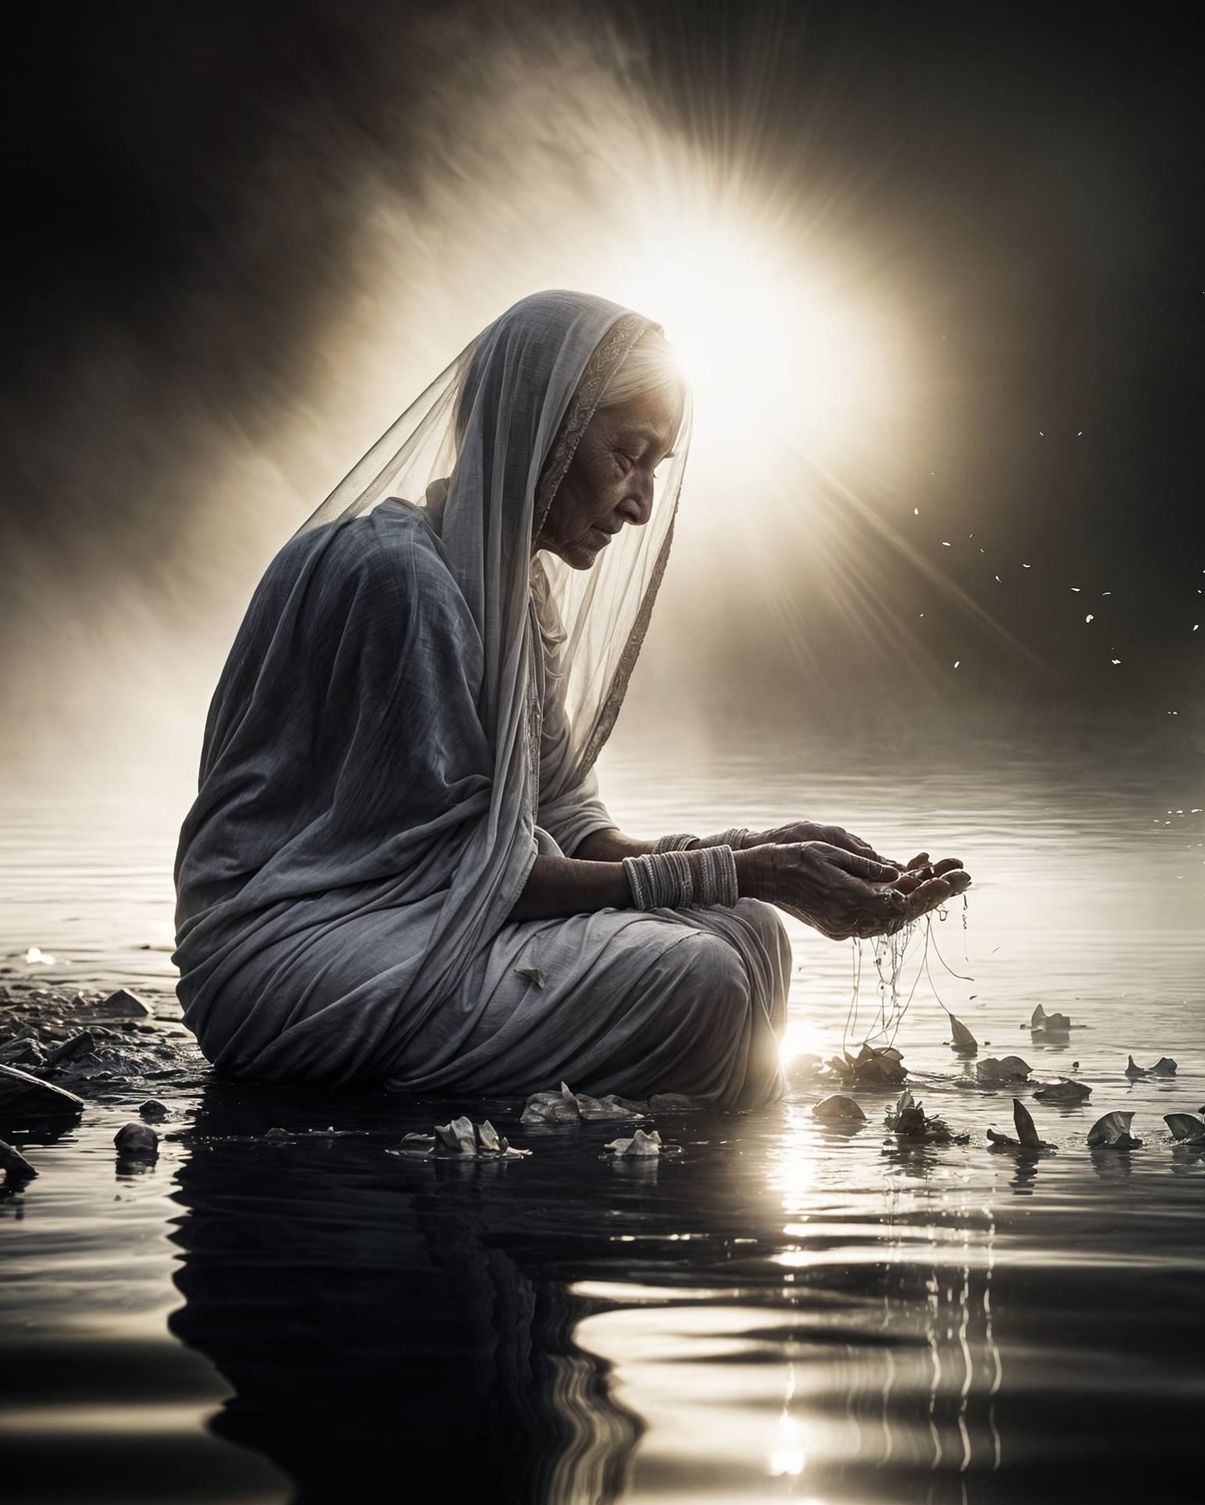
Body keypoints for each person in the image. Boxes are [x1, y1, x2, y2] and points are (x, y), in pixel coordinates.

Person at [173, 291, 965, 1105]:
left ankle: (689, 1198)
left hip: (418, 923)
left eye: (656, 467)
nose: (641, 504)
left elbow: (564, 828)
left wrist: (767, 855)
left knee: (750, 934)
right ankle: (615, 1205)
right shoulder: (402, 582)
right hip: (298, 956)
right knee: (700, 982)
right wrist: (747, 867)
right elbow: (470, 875)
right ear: (538, 430)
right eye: (628, 455)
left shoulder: (516, 594)